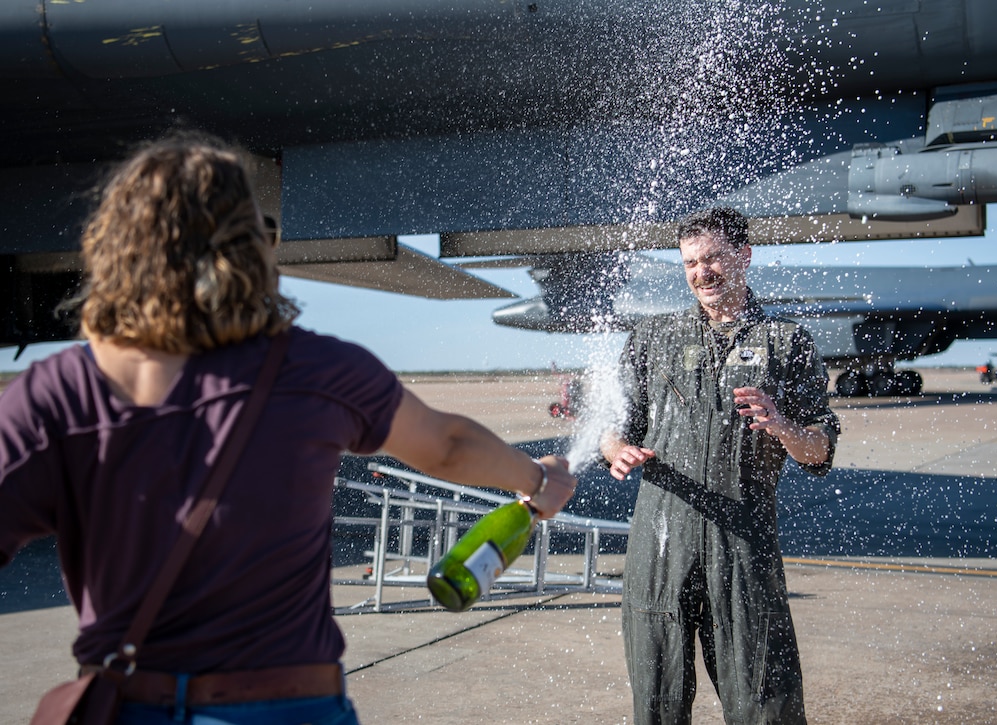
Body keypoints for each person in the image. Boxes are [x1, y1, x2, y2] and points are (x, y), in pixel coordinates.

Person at [0, 132, 577, 725]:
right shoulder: (316, 370)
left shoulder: (57, 392)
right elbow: (447, 446)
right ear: (251, 249)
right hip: (285, 705)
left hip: (126, 704)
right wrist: (537, 478)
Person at [600, 207, 839, 725]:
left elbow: (820, 448)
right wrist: (616, 450)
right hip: (660, 541)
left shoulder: (785, 340)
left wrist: (784, 427)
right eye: (690, 262)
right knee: (657, 700)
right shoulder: (651, 338)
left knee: (765, 701)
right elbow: (614, 426)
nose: (701, 272)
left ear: (744, 257)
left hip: (743, 544)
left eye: (713, 258)